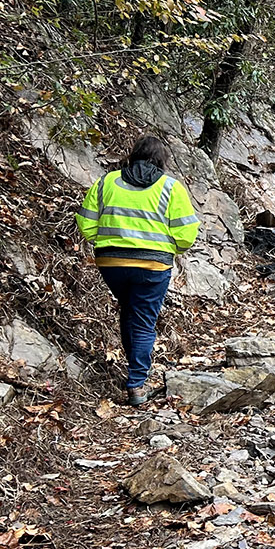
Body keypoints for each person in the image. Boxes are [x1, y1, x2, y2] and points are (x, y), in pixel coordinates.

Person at [75, 136, 200, 406]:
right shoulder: (171, 187)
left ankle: (134, 372)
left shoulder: (107, 182)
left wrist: (106, 243)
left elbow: (86, 223)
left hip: (111, 263)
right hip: (152, 265)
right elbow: (187, 234)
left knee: (129, 310)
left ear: (133, 155)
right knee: (143, 320)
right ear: (161, 160)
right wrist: (168, 248)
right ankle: (137, 384)